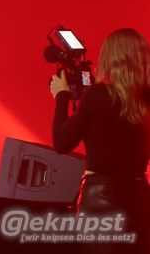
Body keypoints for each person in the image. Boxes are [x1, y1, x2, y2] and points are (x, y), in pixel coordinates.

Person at [50, 28, 149, 251]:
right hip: (141, 200)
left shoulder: (98, 95)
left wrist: (61, 97)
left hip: (101, 202)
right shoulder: (145, 100)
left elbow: (62, 143)